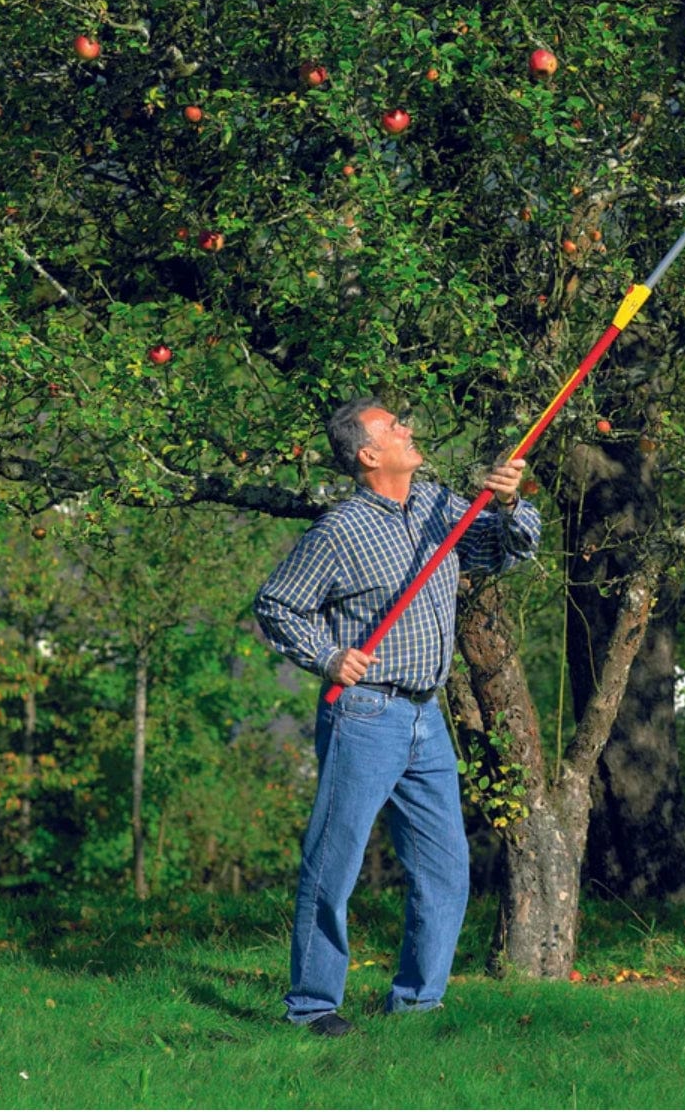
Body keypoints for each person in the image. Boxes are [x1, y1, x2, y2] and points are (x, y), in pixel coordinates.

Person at [253, 396, 540, 1037]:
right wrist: (328, 656)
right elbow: (276, 604)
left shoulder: (441, 506)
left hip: (426, 716)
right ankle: (312, 1006)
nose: (408, 429)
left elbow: (509, 552)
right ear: (367, 452)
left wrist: (509, 503)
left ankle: (415, 1005)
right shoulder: (339, 531)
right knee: (335, 861)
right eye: (392, 427)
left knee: (445, 868)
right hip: (365, 713)